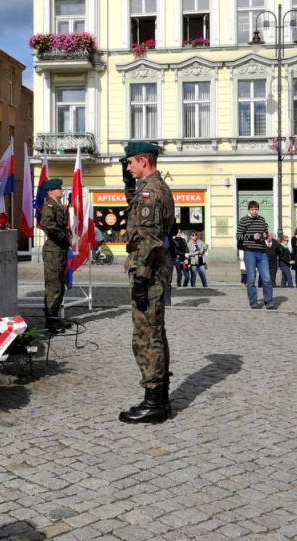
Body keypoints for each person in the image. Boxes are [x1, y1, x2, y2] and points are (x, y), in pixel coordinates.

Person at [119, 142, 175, 424]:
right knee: (155, 332)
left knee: (145, 337)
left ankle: (153, 402)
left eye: (130, 163)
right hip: (153, 271)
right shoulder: (152, 188)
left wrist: (140, 278)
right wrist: (130, 185)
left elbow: (148, 239)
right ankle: (161, 399)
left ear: (143, 160)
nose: (128, 167)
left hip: (148, 273)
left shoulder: (151, 194)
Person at [40, 178, 71, 332]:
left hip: (59, 250)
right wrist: (62, 237)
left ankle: (55, 318)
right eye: (59, 188)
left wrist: (67, 234)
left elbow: (61, 225)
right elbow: (47, 224)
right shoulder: (50, 206)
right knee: (53, 287)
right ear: (50, 191)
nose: (62, 190)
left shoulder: (58, 206)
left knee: (59, 286)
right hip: (53, 250)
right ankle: (51, 321)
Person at [236, 201, 275, 309]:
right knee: (251, 278)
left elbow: (265, 234)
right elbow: (238, 236)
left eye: (256, 209)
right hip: (249, 252)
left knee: (267, 278)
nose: (254, 211)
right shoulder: (243, 220)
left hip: (262, 252)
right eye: (252, 209)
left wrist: (266, 235)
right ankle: (253, 301)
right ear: (249, 210)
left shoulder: (262, 219)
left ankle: (269, 301)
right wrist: (252, 237)